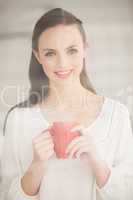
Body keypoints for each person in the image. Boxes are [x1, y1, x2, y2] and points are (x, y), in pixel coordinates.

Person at [1, 7, 133, 200]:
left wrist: (97, 163)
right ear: (38, 56)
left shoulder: (117, 114)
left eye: (71, 50)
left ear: (85, 49)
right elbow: (6, 196)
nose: (62, 63)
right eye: (50, 53)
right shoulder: (18, 120)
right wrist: (36, 166)